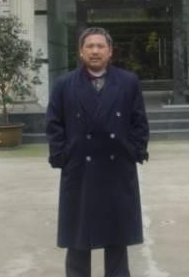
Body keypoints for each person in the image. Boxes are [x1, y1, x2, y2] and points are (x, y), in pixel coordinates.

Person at [46, 27, 149, 277]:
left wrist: (134, 150)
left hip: (117, 167)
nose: (95, 51)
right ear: (81, 52)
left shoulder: (128, 82)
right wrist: (63, 155)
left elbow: (139, 121)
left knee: (117, 236)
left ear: (110, 51)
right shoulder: (64, 84)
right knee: (78, 236)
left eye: (100, 46)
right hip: (80, 168)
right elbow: (54, 123)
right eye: (89, 46)